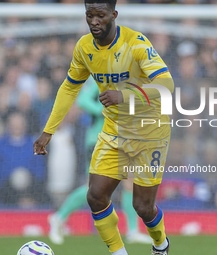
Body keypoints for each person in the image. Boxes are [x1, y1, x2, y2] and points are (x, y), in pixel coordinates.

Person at [34, 1, 174, 254]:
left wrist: (125, 96)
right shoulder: (84, 47)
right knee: (95, 196)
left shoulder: (136, 43)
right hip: (114, 131)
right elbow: (69, 87)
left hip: (149, 132)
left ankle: (160, 244)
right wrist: (48, 130)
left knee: (142, 206)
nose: (94, 21)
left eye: (101, 15)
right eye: (90, 15)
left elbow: (167, 85)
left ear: (113, 15)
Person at [48, 77, 152, 245]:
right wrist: (102, 110)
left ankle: (133, 231)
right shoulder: (99, 75)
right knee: (94, 188)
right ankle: (58, 217)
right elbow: (83, 100)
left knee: (128, 182)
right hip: (99, 138)